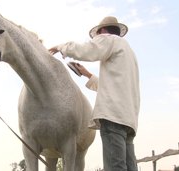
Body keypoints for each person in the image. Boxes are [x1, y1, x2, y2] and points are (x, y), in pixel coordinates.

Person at [49, 16, 140, 171]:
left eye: (98, 35)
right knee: (130, 167)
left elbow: (86, 50)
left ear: (103, 31)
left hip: (113, 117)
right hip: (128, 120)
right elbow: (113, 86)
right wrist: (86, 74)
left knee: (115, 167)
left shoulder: (109, 39)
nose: (97, 38)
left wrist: (61, 47)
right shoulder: (128, 52)